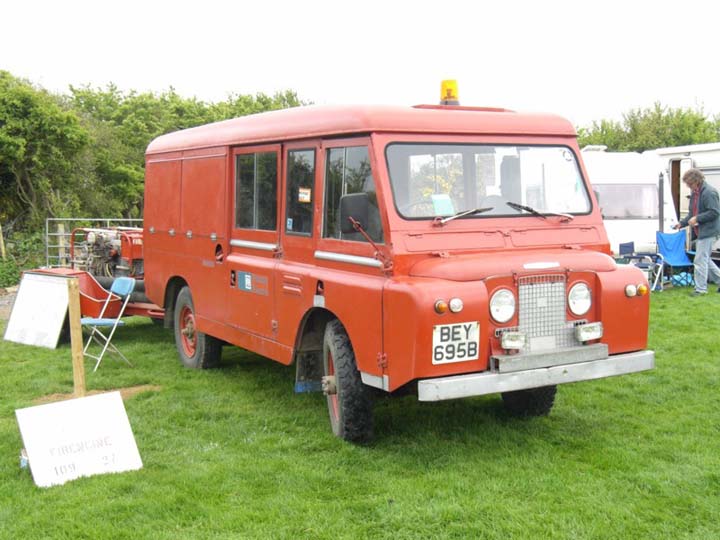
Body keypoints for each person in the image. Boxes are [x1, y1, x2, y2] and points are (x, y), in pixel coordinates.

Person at [673, 168, 720, 295]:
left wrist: (697, 218)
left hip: (709, 231)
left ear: (696, 181)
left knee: (700, 260)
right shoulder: (695, 193)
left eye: (689, 183)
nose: (688, 186)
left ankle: (700, 289)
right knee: (705, 259)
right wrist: (681, 223)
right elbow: (691, 213)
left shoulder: (709, 193)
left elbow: (715, 212)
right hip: (701, 231)